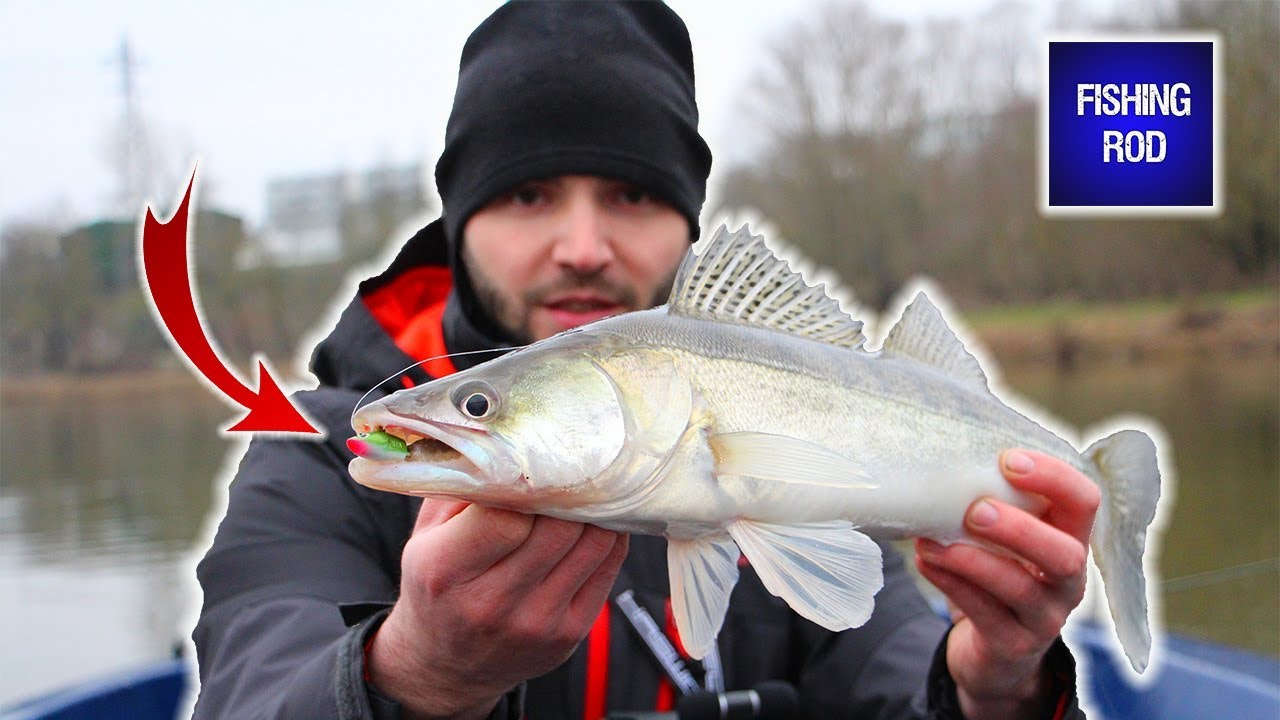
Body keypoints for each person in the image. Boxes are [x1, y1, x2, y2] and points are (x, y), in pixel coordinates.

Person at [191, 3, 1097, 719]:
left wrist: (994, 687)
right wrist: (417, 675)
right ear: (459, 222)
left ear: (688, 220)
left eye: (629, 193)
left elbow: (883, 661)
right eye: (528, 192)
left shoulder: (802, 453)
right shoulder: (318, 459)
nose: (583, 245)